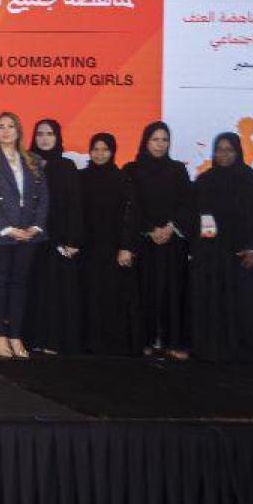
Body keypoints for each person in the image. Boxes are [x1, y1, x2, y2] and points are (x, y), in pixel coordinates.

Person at [187, 132, 253, 364]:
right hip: (213, 257)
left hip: (246, 258)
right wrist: (202, 248)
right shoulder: (204, 182)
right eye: (219, 150)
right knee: (214, 305)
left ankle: (248, 354)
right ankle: (213, 351)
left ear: (238, 151)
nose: (224, 154)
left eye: (229, 150)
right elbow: (196, 217)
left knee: (246, 307)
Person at [0, 112, 48, 359]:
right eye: (1, 127)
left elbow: (43, 198)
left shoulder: (34, 161)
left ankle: (16, 335)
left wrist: (35, 227)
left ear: (19, 131)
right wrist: (7, 228)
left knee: (20, 284)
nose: (6, 131)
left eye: (10, 126)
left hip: (29, 234)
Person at [124, 121, 192, 358]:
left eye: (164, 140)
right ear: (146, 141)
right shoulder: (132, 170)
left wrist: (171, 227)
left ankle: (173, 342)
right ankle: (146, 340)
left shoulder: (177, 170)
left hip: (172, 243)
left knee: (173, 292)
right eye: (155, 139)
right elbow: (131, 207)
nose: (160, 144)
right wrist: (150, 229)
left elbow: (186, 203)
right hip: (144, 243)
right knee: (145, 291)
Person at [77, 133, 141, 356]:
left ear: (112, 151)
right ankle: (89, 343)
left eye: (105, 149)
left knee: (112, 295)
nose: (99, 153)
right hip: (86, 247)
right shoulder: (81, 177)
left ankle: (111, 343)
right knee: (89, 294)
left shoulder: (122, 178)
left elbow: (129, 215)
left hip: (114, 248)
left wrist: (126, 246)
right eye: (95, 149)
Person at [23, 118, 83, 355]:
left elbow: (75, 204)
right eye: (39, 134)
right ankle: (33, 338)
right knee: (32, 289)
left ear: (57, 137)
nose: (44, 138)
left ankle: (53, 340)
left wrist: (73, 239)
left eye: (49, 133)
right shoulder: (27, 163)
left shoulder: (67, 166)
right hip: (30, 237)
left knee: (57, 290)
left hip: (58, 238)